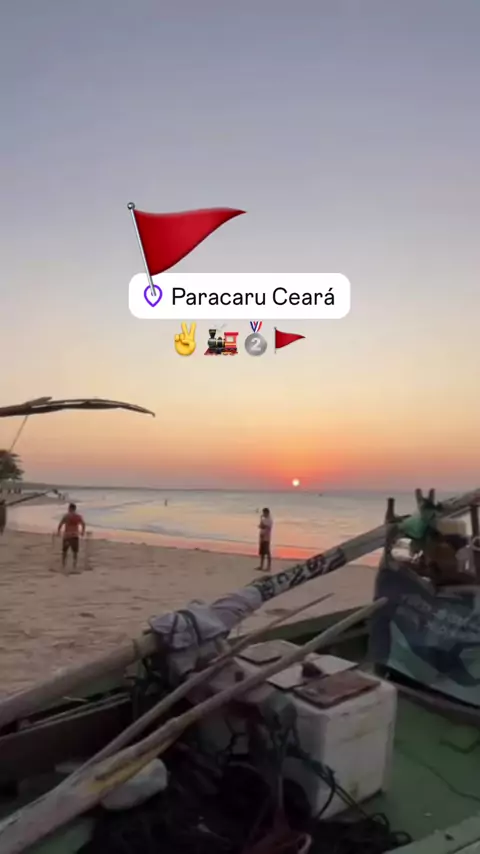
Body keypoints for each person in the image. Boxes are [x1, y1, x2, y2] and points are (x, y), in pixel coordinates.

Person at [57, 503, 85, 571]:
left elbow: (60, 524)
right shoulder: (78, 517)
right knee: (75, 552)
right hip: (75, 536)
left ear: (69, 508)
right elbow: (83, 524)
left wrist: (59, 532)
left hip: (67, 536)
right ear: (75, 509)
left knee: (64, 552)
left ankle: (63, 564)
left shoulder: (66, 516)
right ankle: (74, 565)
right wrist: (82, 532)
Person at [256, 507, 273, 572]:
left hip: (266, 538)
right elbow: (260, 526)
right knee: (262, 553)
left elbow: (266, 527)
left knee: (267, 552)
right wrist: (261, 519)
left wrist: (262, 525)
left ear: (267, 513)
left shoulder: (269, 520)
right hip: (262, 537)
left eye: (264, 513)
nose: (263, 514)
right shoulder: (264, 519)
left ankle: (268, 567)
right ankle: (261, 566)